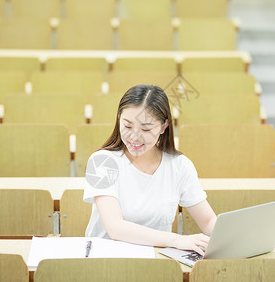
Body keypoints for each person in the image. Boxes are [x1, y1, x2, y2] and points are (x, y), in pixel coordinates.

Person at [83, 84, 217, 255]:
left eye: (146, 129)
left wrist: (234, 238)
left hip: (158, 261)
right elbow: (115, 228)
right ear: (119, 119)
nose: (135, 137)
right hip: (107, 261)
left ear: (163, 126)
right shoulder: (102, 161)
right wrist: (177, 240)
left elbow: (208, 221)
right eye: (128, 126)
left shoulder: (180, 166)